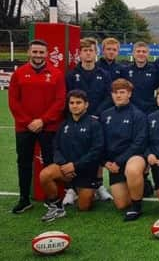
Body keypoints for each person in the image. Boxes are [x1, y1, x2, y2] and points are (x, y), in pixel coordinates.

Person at [8, 39, 66, 214]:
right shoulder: (19, 74)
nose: (38, 55)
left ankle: (53, 200)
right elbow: (13, 101)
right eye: (35, 52)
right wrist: (28, 122)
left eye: (41, 52)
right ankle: (24, 199)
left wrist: (43, 120)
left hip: (48, 127)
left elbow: (60, 101)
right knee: (24, 163)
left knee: (50, 163)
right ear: (29, 52)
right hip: (24, 128)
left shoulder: (56, 74)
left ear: (47, 54)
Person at [39, 90, 104, 221]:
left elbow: (96, 150)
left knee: (84, 207)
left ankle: (91, 191)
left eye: (78, 103)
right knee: (45, 175)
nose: (75, 106)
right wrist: (63, 165)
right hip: (65, 169)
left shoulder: (94, 124)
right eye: (72, 103)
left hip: (85, 171)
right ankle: (56, 206)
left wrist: (75, 166)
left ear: (86, 105)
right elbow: (56, 147)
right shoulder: (64, 125)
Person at [64, 37, 113, 205]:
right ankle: (71, 188)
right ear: (80, 54)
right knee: (75, 150)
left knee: (97, 151)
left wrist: (96, 114)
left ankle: (98, 185)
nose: (88, 53)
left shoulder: (104, 74)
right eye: (85, 50)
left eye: (91, 50)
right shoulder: (72, 75)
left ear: (96, 52)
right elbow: (68, 97)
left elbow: (109, 97)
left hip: (98, 119)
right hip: (76, 119)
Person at [99, 78, 148, 221]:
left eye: (122, 92)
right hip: (113, 163)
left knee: (132, 170)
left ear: (129, 94)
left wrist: (119, 161)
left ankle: (137, 207)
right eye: (115, 93)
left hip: (133, 158)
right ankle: (143, 187)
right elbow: (100, 142)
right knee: (121, 204)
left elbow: (139, 143)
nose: (118, 95)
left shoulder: (138, 115)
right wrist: (105, 162)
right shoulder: (105, 115)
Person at [124, 41, 159, 114]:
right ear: (133, 53)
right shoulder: (125, 70)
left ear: (148, 54)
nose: (141, 54)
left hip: (150, 110)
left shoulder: (155, 70)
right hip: (130, 110)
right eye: (138, 51)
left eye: (144, 51)